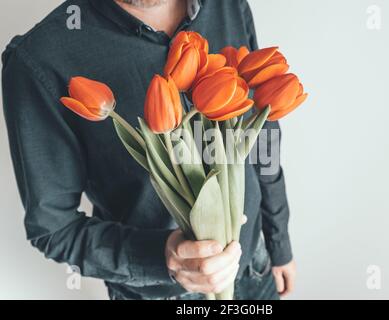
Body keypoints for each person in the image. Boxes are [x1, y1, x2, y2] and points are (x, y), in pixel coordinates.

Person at [1, 0, 295, 300]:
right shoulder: (39, 59)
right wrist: (163, 255)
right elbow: (54, 229)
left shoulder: (227, 5)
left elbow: (261, 131)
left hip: (256, 266)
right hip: (160, 293)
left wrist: (278, 242)